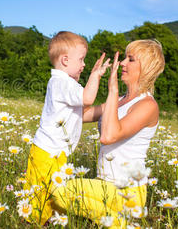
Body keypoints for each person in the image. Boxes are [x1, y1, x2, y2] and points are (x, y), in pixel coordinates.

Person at [53, 39, 165, 228]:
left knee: (60, 193)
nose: (121, 63)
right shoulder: (120, 100)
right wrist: (92, 78)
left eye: (130, 59)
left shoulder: (147, 105)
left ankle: (123, 224)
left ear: (145, 68)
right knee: (57, 194)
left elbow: (109, 137)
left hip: (128, 192)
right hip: (105, 185)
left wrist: (112, 89)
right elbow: (82, 115)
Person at [24, 31, 110, 225]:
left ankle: (46, 221)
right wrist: (95, 75)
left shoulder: (65, 84)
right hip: (47, 152)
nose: (84, 65)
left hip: (56, 152)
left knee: (53, 193)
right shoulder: (62, 82)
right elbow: (88, 99)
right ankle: (33, 223)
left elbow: (85, 113)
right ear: (65, 60)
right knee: (39, 195)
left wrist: (113, 105)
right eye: (81, 59)